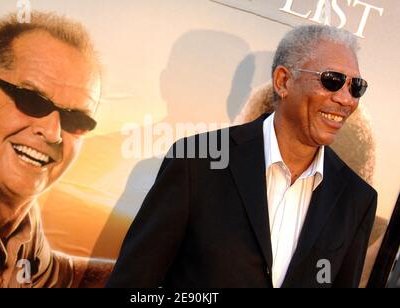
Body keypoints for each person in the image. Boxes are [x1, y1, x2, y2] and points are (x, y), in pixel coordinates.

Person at [107, 25, 377, 288]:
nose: (346, 99)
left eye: (356, 87)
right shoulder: (197, 161)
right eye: (332, 80)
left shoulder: (356, 199)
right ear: (283, 81)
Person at [0, 11, 114, 288]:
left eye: (76, 119)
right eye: (31, 100)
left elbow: (60, 276)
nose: (52, 132)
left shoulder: (21, 223)